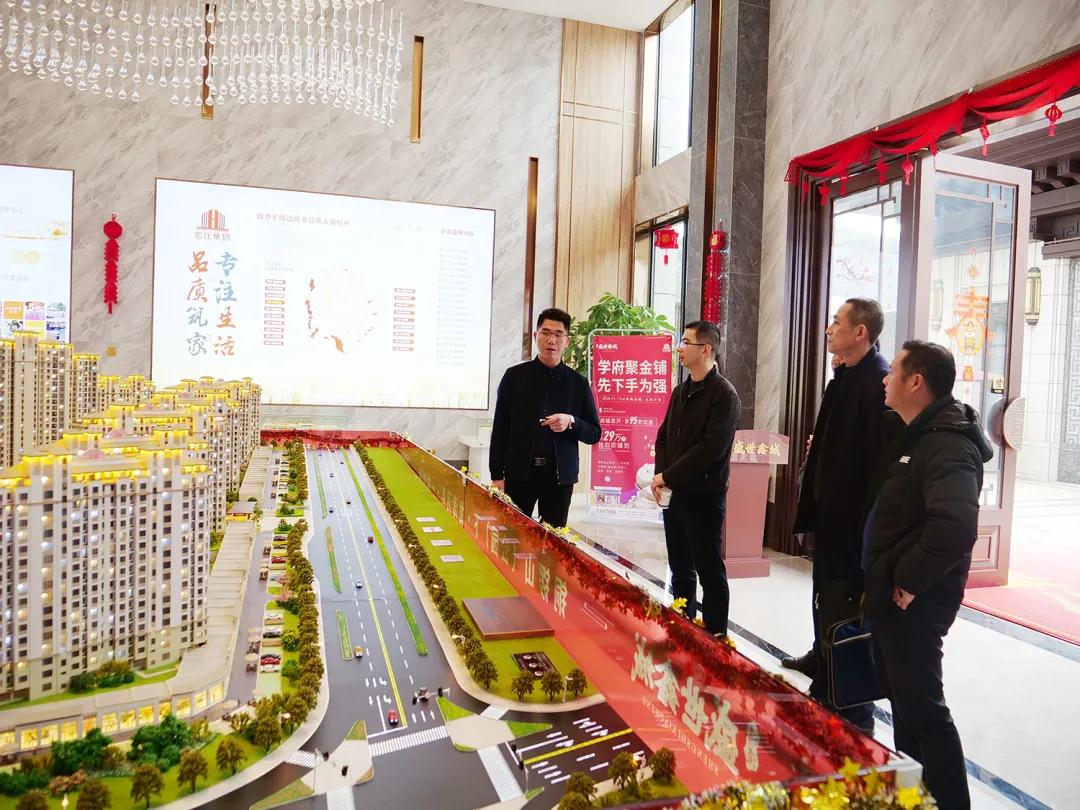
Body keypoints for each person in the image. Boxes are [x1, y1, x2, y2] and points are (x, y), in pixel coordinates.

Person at [864, 341, 992, 810]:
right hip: (897, 592)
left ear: (915, 382)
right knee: (906, 706)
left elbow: (954, 526)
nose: (885, 379)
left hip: (918, 598)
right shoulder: (918, 433)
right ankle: (916, 800)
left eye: (893, 371)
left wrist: (909, 579)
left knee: (924, 710)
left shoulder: (948, 444)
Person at [784, 298, 890, 730]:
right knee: (824, 596)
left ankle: (846, 699)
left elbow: (876, 468)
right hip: (830, 515)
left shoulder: (878, 382)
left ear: (860, 332)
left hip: (852, 524)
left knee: (844, 604)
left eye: (837, 322)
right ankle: (822, 659)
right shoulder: (844, 376)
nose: (829, 328)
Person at [651, 321, 740, 637]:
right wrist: (662, 478)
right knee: (680, 568)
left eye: (686, 342)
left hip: (704, 497)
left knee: (709, 570)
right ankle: (682, 628)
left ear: (706, 349)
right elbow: (663, 437)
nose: (680, 348)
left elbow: (709, 449)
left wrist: (667, 475)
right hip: (675, 494)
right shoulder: (681, 391)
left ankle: (715, 638)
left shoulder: (724, 395)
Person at [489, 307, 601, 528]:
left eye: (558, 334)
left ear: (567, 341)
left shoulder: (578, 383)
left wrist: (571, 422)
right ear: (535, 336)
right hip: (519, 475)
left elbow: (594, 433)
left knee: (553, 541)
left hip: (559, 478)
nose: (552, 340)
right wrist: (496, 476)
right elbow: (500, 429)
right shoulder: (514, 377)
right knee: (512, 535)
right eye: (546, 333)